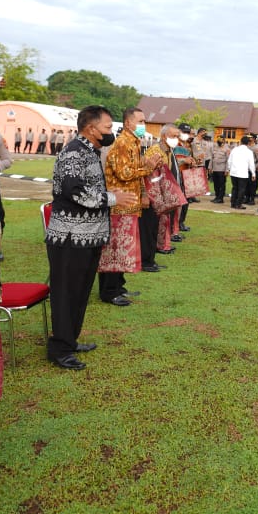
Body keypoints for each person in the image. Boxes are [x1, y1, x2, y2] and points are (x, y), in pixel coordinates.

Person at [44, 106, 137, 370]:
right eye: (107, 127)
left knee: (80, 292)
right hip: (70, 238)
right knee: (66, 294)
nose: (111, 132)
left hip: (88, 237)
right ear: (90, 128)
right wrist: (113, 198)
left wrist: (109, 192)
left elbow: (89, 188)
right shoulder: (75, 152)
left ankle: (70, 340)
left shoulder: (89, 151)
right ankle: (60, 349)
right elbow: (74, 192)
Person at [99, 107, 164, 306]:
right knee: (116, 249)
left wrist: (147, 162)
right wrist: (148, 166)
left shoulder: (134, 142)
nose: (144, 125)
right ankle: (109, 292)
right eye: (141, 121)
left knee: (124, 248)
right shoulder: (123, 143)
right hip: (119, 204)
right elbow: (124, 173)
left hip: (129, 203)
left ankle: (119, 286)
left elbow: (133, 168)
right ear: (128, 123)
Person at [227, 135, 255, 209]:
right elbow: (251, 164)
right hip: (242, 173)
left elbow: (229, 161)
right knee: (241, 189)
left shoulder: (234, 149)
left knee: (235, 188)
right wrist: (253, 173)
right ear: (248, 143)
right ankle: (238, 204)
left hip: (234, 172)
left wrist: (230, 169)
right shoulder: (249, 152)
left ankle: (233, 203)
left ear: (241, 142)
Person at [210, 136, 230, 203]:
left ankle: (220, 198)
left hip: (222, 169)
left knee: (221, 184)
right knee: (216, 184)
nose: (219, 142)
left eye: (221, 140)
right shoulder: (215, 148)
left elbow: (228, 160)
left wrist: (227, 170)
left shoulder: (227, 149)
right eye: (218, 140)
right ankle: (217, 196)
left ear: (224, 141)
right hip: (215, 169)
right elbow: (211, 158)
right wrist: (210, 167)